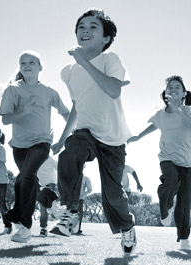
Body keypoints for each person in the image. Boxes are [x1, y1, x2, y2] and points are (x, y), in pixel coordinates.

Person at [49, 8, 136, 253]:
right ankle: (70, 213)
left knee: (113, 195)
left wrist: (85, 63)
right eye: (81, 27)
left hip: (113, 137)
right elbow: (77, 105)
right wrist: (63, 137)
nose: (85, 30)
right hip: (86, 131)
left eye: (93, 27)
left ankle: (127, 227)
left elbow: (113, 90)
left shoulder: (111, 60)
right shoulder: (68, 71)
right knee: (70, 152)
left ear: (106, 39)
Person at [0, 50, 69, 243]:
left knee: (26, 177)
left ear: (40, 67)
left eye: (31, 62)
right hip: (19, 147)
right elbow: (5, 119)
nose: (27, 65)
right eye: (23, 63)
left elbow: (67, 113)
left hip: (42, 142)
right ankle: (30, 217)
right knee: (27, 181)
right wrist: (23, 111)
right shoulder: (12, 90)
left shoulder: (49, 92)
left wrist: (63, 139)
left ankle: (23, 223)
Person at [127, 75, 191, 250]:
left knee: (184, 203)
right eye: (170, 87)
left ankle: (184, 238)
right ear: (165, 93)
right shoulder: (161, 114)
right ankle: (165, 207)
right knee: (170, 180)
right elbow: (154, 125)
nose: (173, 89)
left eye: (177, 87)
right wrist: (138, 136)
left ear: (184, 93)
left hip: (187, 163)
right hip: (167, 157)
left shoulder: (189, 110)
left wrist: (178, 110)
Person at [36, 156, 59, 237]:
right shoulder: (37, 159)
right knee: (44, 208)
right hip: (41, 186)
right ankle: (44, 229)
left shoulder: (49, 159)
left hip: (49, 186)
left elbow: (59, 168)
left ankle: (45, 228)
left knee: (48, 208)